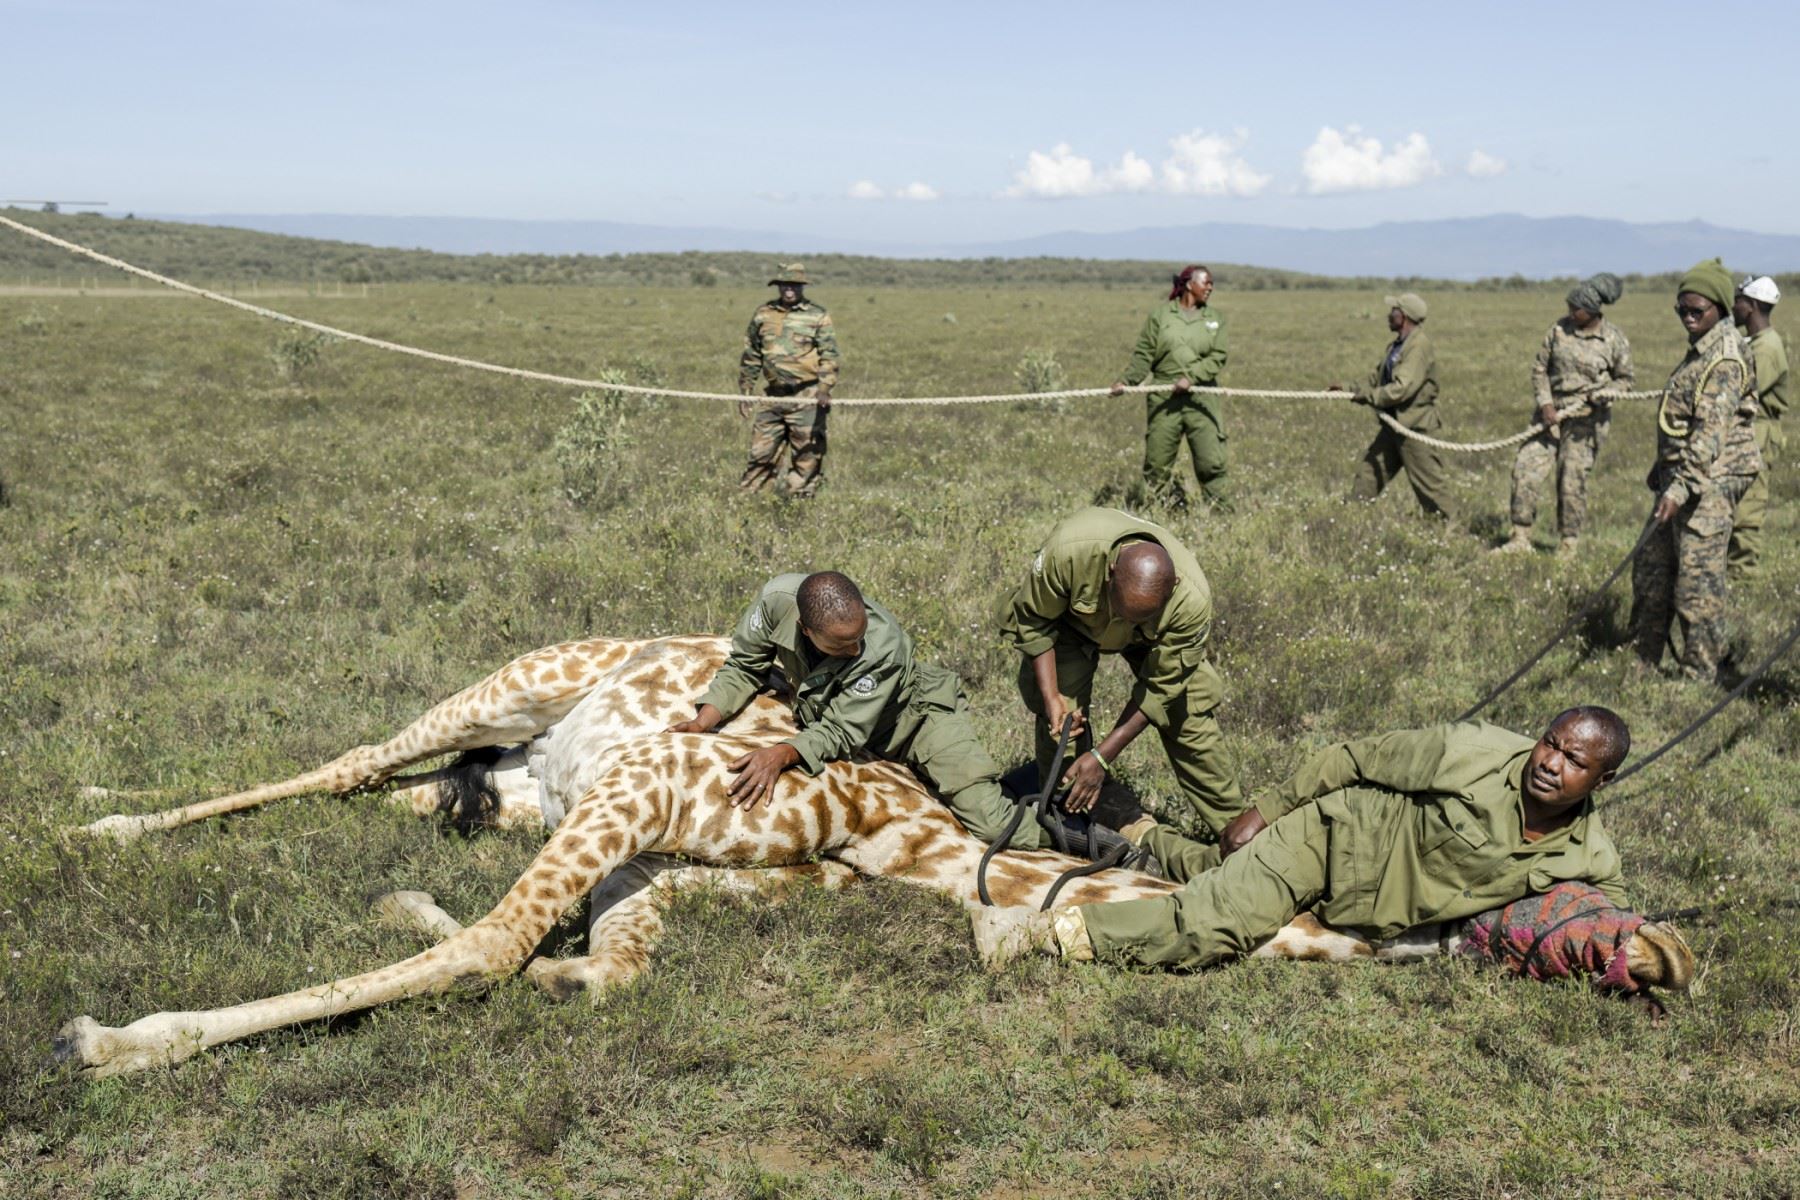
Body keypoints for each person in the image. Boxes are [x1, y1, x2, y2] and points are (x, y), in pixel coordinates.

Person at [972, 708, 1633, 972]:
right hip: (1331, 838)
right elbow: (1354, 756)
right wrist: (1270, 811)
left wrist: (1637, 968)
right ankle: (1034, 932)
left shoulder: (1590, 853)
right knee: (1217, 921)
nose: (1550, 762)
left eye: (1576, 761)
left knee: (1206, 866)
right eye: (1551, 742)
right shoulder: (1472, 752)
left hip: (1369, 905)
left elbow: (1613, 922)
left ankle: (1130, 825)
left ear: (1601, 779)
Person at [666, 571, 1068, 852]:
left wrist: (782, 753)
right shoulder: (776, 602)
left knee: (990, 822)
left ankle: (1080, 835)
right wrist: (705, 720)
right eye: (842, 646)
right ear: (806, 629)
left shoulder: (883, 647)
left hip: (916, 721)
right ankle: (1022, 782)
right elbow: (744, 665)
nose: (855, 650)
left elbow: (841, 732)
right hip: (847, 714)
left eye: (859, 639)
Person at [996, 506, 1247, 840]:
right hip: (1076, 626)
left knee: (1190, 717)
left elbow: (1160, 689)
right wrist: (1052, 697)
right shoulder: (1069, 552)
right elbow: (1034, 620)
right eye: (1122, 610)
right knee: (1062, 723)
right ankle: (1073, 820)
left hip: (1153, 641)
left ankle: (1238, 833)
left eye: (1138, 617)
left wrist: (1102, 756)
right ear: (1110, 572)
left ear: (1171, 588)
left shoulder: (1192, 601)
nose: (1125, 623)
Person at [1629, 259, 1762, 682]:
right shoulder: (1702, 347)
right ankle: (1643, 658)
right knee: (1651, 568)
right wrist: (1663, 470)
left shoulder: (1723, 359)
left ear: (1721, 309)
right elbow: (1683, 420)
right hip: (1683, 476)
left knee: (1696, 582)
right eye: (1681, 310)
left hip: (1713, 480)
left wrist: (1680, 486)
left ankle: (1699, 675)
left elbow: (1709, 434)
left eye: (1696, 311)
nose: (1687, 318)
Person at [1497, 274, 1635, 557]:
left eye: (1577, 309)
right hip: (1548, 418)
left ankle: (1568, 544)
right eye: (1569, 306)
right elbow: (1540, 370)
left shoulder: (1613, 340)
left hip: (1586, 422)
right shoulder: (1558, 330)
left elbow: (1626, 379)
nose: (1571, 313)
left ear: (1594, 310)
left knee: (1571, 481)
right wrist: (1546, 405)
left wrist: (1606, 393)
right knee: (1525, 470)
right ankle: (1520, 537)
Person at [1109, 265, 1231, 511]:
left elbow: (1218, 356)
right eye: (1206, 283)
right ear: (1189, 285)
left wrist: (1192, 378)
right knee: (1157, 463)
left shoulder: (1215, 319)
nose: (1210, 288)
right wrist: (1127, 381)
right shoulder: (1160, 316)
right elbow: (1144, 355)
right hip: (1165, 397)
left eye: (1211, 283)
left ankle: (1222, 514)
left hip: (1202, 398)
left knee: (1211, 462)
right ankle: (1150, 514)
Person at [1337, 292, 1455, 519]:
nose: (1389, 315)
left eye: (1394, 311)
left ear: (1405, 316)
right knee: (1369, 473)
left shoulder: (1418, 347)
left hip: (1414, 428)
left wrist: (1369, 397)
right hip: (1393, 426)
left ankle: (1452, 532)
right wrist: (1347, 388)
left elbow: (1402, 388)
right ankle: (1350, 520)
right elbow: (1376, 379)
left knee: (1430, 485)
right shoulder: (1398, 345)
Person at [737, 264, 839, 499]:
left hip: (807, 398)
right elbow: (752, 353)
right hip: (772, 397)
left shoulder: (817, 315)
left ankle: (798, 506)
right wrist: (745, 390)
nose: (789, 290)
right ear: (778, 286)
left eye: (794, 285)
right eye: (784, 284)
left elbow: (830, 355)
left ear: (801, 286)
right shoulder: (763, 314)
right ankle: (751, 502)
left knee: (807, 456)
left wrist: (824, 389)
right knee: (760, 454)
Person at [1727, 275, 1789, 579]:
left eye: (1737, 301)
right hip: (1747, 430)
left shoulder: (1766, 349)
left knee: (1747, 510)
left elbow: (1743, 392)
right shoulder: (1754, 342)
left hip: (1758, 433)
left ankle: (1742, 577)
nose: (1733, 307)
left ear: (1750, 306)